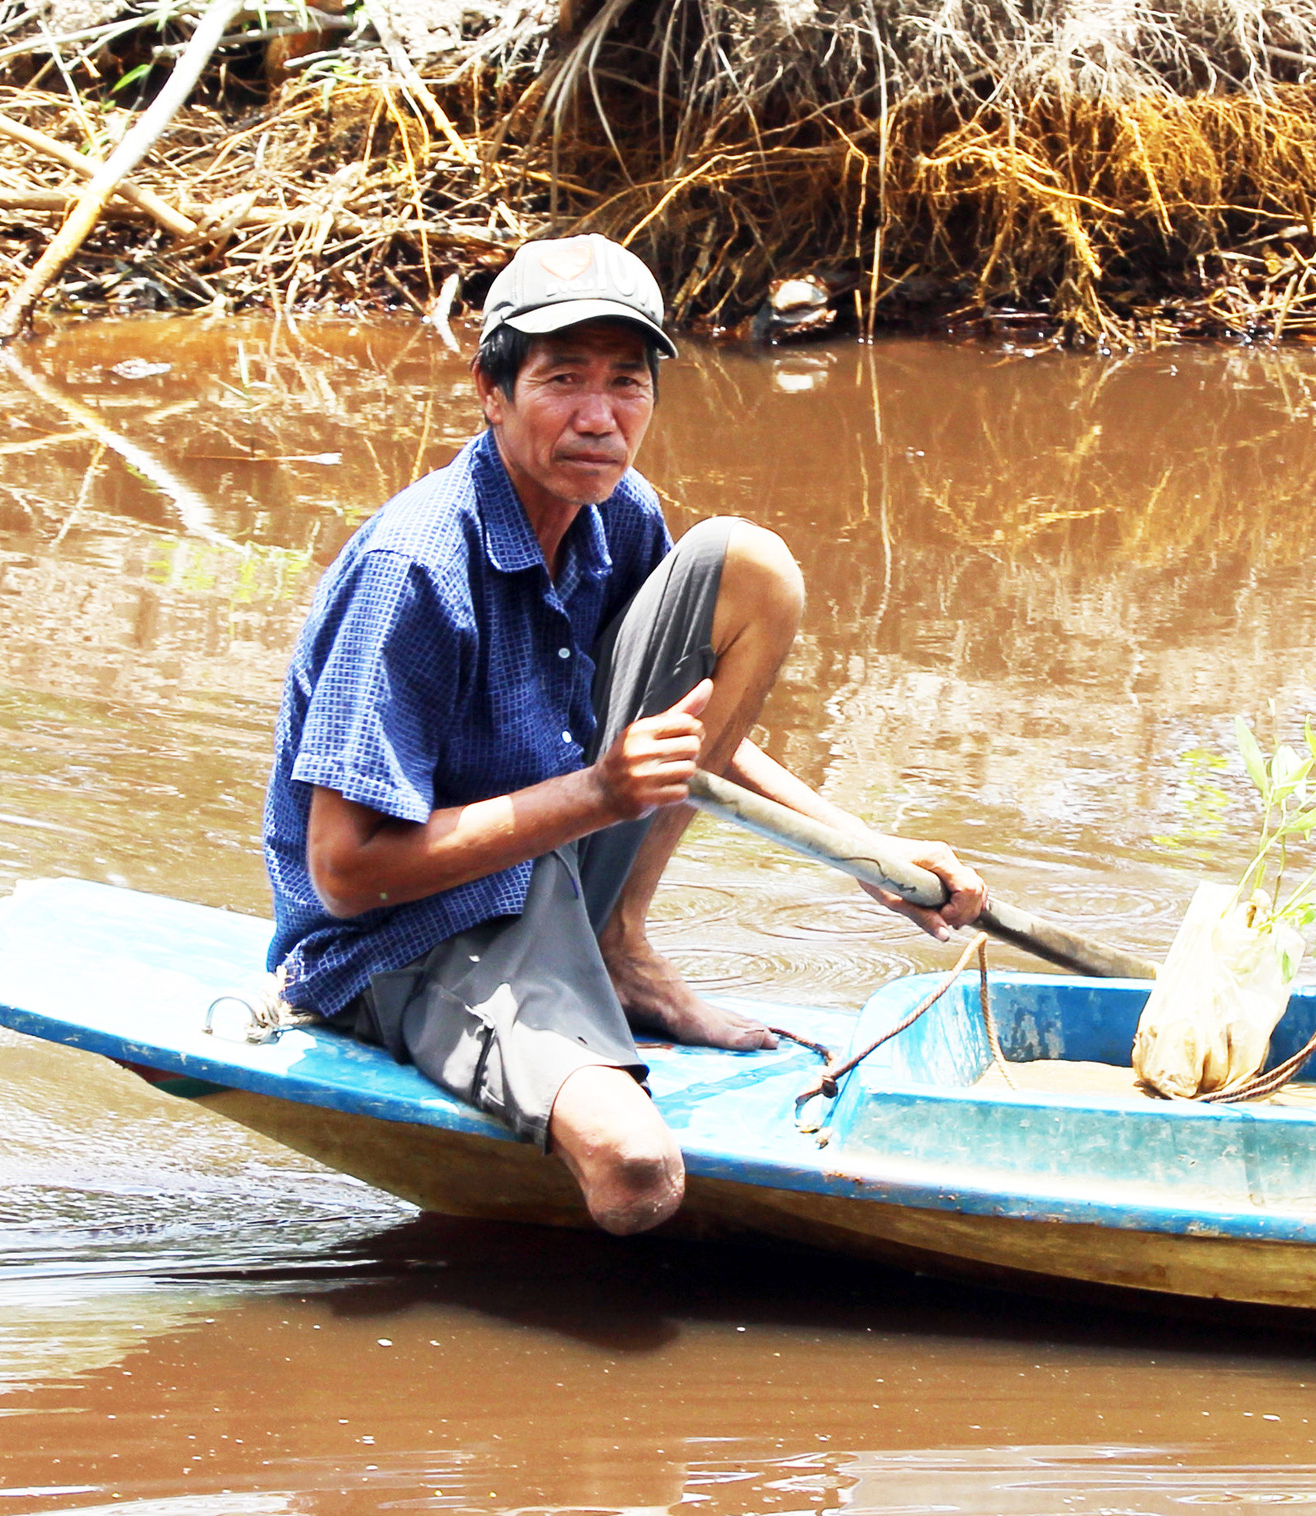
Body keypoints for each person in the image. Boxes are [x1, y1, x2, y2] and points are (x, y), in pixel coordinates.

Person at [262, 233, 986, 1237]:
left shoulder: (617, 515)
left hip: (552, 867)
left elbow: (686, 746)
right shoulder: (413, 569)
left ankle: (614, 942)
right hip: (410, 932)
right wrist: (597, 796)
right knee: (637, 1166)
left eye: (625, 383)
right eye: (561, 380)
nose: (598, 419)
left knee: (749, 563)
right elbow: (342, 873)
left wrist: (864, 851)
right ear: (490, 390)